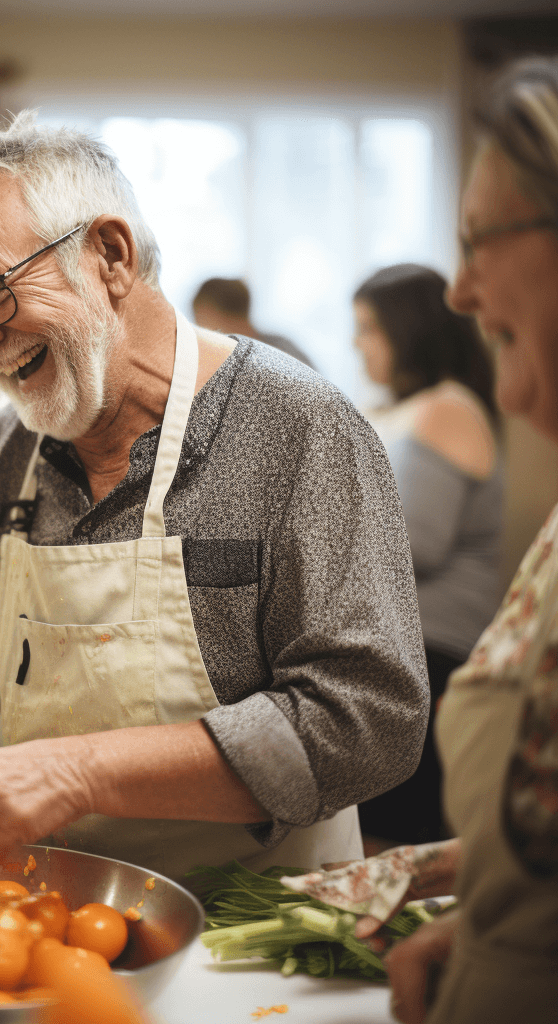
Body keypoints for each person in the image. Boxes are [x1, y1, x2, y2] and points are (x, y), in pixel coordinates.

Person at [0, 112, 428, 885]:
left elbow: (369, 719)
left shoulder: (300, 430)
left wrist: (78, 771)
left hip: (257, 936)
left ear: (109, 255)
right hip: (41, 921)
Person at [279, 56, 558, 1024]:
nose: (462, 290)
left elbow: (400, 543)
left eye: (481, 241)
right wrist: (482, 912)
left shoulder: (444, 408)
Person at [352, 264, 503, 848]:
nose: (356, 344)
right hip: (395, 635)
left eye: (368, 328)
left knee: (379, 835)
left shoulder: (448, 408)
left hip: (428, 645)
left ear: (407, 332)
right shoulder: (399, 409)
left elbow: (415, 542)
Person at [191, 276, 315, 368]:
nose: (200, 331)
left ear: (209, 312)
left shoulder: (279, 357)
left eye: (200, 320)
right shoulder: (284, 348)